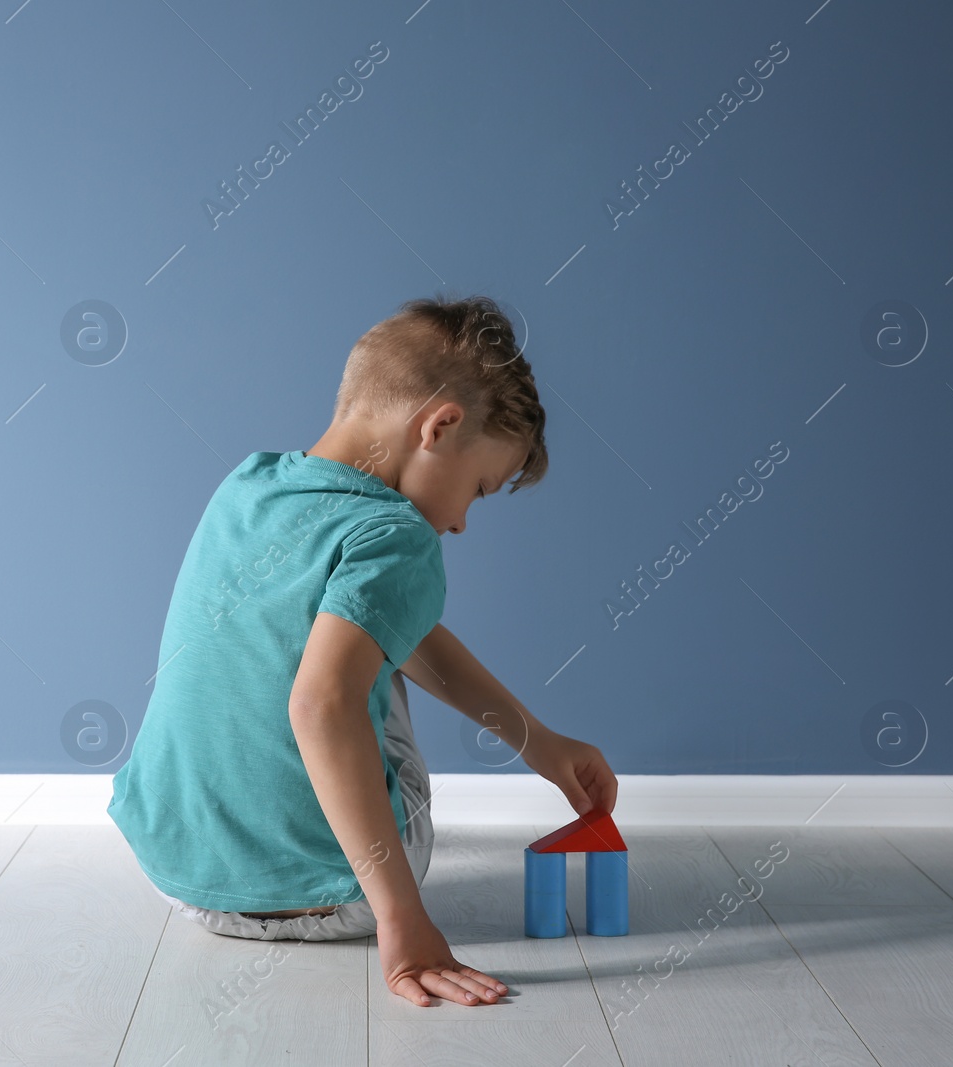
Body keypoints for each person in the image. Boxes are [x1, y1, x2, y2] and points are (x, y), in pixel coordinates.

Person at [107, 293, 618, 1008]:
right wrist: (401, 918)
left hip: (178, 874)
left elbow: (373, 630)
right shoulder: (398, 535)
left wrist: (539, 743)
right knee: (357, 657)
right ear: (439, 427)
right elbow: (321, 702)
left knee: (357, 625)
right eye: (478, 487)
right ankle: (379, 888)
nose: (464, 522)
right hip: (336, 896)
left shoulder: (246, 485)